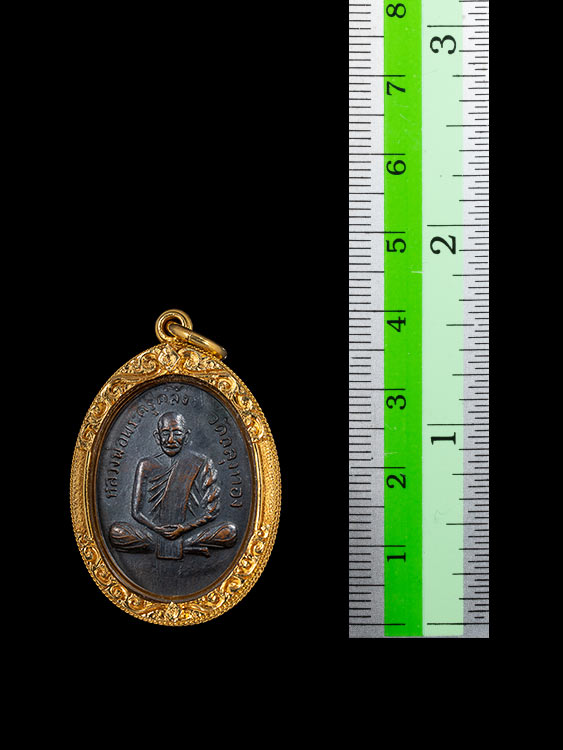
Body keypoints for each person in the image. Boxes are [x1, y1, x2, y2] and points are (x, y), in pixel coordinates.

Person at [109, 412, 237, 559]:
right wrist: (157, 529)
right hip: (154, 533)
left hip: (188, 533)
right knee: (116, 532)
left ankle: (166, 547)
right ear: (157, 437)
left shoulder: (202, 462)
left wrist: (183, 528)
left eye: (177, 433)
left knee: (229, 532)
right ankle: (184, 547)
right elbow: (136, 512)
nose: (170, 440)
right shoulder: (146, 465)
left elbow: (211, 511)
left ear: (186, 436)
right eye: (165, 433)